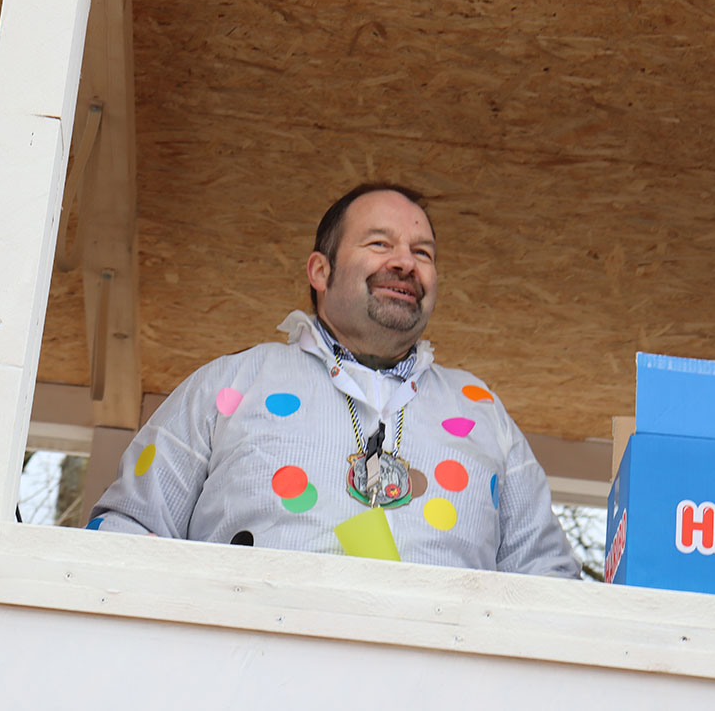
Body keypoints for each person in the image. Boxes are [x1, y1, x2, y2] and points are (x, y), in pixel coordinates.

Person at [88, 183, 580, 577]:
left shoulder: (481, 409)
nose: (405, 263)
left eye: (423, 253)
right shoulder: (232, 381)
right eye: (380, 243)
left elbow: (548, 577)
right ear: (320, 272)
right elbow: (126, 529)